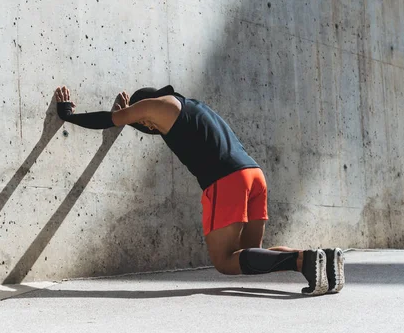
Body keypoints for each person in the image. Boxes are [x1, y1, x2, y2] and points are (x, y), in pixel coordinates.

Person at [54, 85, 344, 295]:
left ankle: (302, 261)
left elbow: (108, 120)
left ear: (145, 104)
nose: (144, 125)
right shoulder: (190, 108)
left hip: (226, 182)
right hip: (253, 176)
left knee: (225, 262)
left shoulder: (156, 104)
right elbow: (153, 127)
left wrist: (68, 115)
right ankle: (321, 260)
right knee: (250, 254)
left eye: (141, 119)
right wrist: (130, 117)